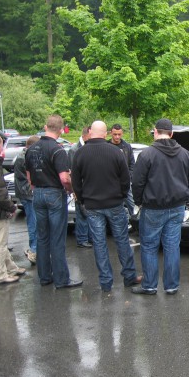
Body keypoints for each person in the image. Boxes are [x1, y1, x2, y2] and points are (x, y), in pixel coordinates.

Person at [71, 120, 141, 293]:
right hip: (115, 203)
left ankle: (106, 282)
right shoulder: (115, 152)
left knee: (99, 243)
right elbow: (125, 179)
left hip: (92, 206)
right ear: (105, 133)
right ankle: (129, 276)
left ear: (90, 131)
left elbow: (75, 182)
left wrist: (82, 200)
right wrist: (122, 195)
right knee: (122, 240)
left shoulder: (80, 154)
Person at [131, 118, 189, 295]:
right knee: (172, 246)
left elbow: (137, 182)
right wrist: (185, 195)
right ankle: (171, 285)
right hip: (177, 207)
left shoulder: (146, 154)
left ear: (155, 132)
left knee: (149, 246)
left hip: (153, 207)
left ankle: (150, 285)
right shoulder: (186, 154)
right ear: (171, 133)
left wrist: (139, 201)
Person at [25, 114, 81, 288]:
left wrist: (35, 188)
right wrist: (72, 190)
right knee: (57, 238)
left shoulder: (32, 149)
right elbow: (64, 178)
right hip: (54, 194)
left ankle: (44, 277)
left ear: (45, 126)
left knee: (42, 237)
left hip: (38, 193)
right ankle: (62, 279)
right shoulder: (57, 150)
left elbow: (29, 176)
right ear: (62, 129)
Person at [0, 134, 25, 284]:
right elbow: (0, 192)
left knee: (2, 242)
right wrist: (11, 206)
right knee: (0, 243)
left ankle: (11, 267)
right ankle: (0, 274)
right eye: (2, 145)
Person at [14, 134, 40, 264]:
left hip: (25, 193)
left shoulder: (22, 156)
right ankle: (34, 250)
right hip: (28, 194)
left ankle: (34, 249)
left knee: (33, 221)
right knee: (33, 222)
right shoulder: (24, 158)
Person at [68, 126, 93, 248]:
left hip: (88, 186)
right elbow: (73, 171)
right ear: (85, 135)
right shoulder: (75, 149)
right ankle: (82, 239)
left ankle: (87, 238)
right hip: (80, 186)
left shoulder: (84, 147)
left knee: (87, 213)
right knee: (81, 213)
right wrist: (74, 190)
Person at [108, 124, 136, 218]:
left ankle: (135, 222)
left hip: (125, 182)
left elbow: (132, 164)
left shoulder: (127, 147)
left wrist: (129, 177)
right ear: (111, 133)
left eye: (119, 134)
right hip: (110, 183)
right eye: (115, 134)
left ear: (122, 133)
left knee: (132, 204)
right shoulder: (106, 146)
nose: (117, 137)